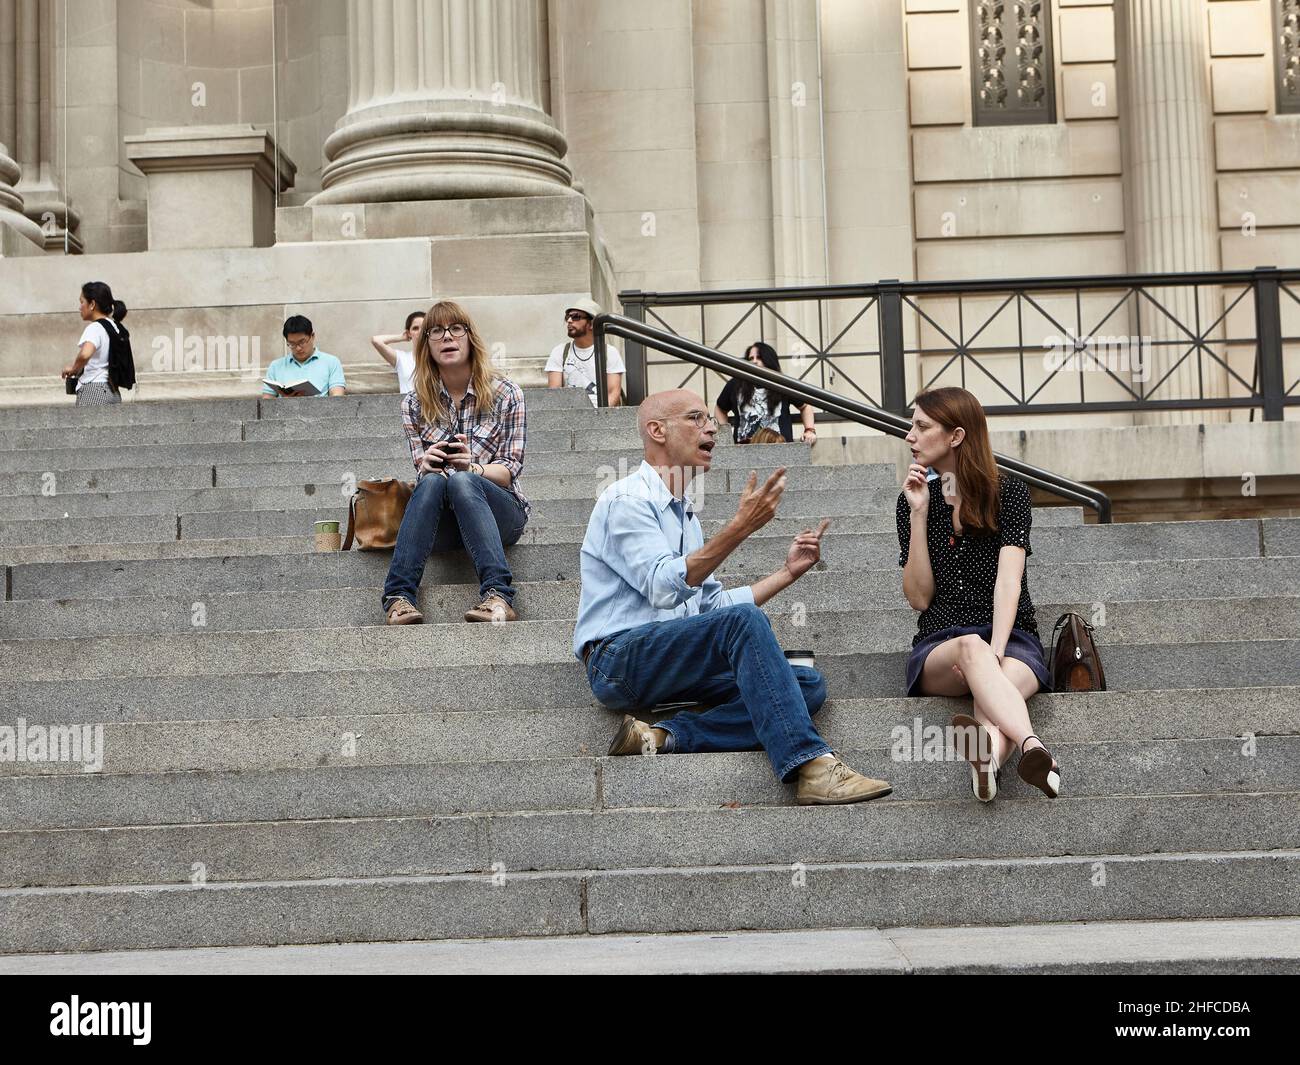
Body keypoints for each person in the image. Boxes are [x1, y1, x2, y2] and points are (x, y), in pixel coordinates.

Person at [572, 387, 893, 805]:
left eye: (711, 419)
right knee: (746, 629)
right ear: (657, 430)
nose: (713, 428)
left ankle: (664, 735)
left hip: (674, 660)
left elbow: (710, 608)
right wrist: (740, 529)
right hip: (619, 660)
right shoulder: (626, 500)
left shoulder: (686, 516)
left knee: (806, 686)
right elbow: (661, 586)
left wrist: (787, 573)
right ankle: (812, 766)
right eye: (696, 418)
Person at [897, 386, 1058, 803]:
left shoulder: (1009, 493)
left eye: (921, 426)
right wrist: (917, 515)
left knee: (994, 678)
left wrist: (997, 651)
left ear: (955, 436)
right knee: (972, 648)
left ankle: (987, 760)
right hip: (942, 645)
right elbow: (918, 598)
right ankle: (1032, 745)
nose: (909, 435)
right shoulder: (913, 501)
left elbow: (1009, 583)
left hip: (1013, 638)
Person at [383, 300, 530, 625]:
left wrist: (472, 468)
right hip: (444, 522)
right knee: (434, 481)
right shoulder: (414, 404)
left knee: (463, 481)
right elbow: (425, 481)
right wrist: (427, 467)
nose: (446, 337)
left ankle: (498, 594)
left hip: (502, 512)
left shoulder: (507, 394)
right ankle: (399, 597)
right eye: (436, 331)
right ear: (426, 345)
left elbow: (509, 470)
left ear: (469, 337)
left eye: (455, 329)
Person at [714, 341, 816, 445]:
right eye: (750, 358)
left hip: (779, 449)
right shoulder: (736, 384)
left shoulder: (782, 383)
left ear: (769, 360)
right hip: (744, 452)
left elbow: (805, 406)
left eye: (759, 357)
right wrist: (724, 438)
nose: (754, 361)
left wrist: (809, 430)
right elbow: (720, 408)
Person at [545, 298, 624, 407]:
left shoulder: (610, 353)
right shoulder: (559, 352)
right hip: (570, 417)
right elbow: (554, 395)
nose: (569, 320)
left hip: (602, 417)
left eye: (576, 317)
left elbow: (613, 394)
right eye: (568, 316)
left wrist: (597, 419)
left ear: (592, 323)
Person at [63, 282, 127, 407]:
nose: (80, 307)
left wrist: (73, 369)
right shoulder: (115, 327)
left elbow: (85, 354)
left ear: (92, 304)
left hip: (93, 391)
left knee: (86, 426)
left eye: (82, 302)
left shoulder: (95, 328)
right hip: (113, 391)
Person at [262, 315, 346, 398]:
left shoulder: (331, 362)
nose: (298, 348)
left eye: (302, 342)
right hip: (285, 410)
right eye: (292, 344)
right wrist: (285, 402)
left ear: (312, 336)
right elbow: (266, 404)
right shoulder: (275, 366)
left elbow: (337, 400)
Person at [370, 310, 425, 394]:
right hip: (408, 405)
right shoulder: (402, 358)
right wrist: (402, 337)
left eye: (424, 327)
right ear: (409, 332)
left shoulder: (438, 357)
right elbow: (376, 340)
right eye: (415, 328)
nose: (420, 332)